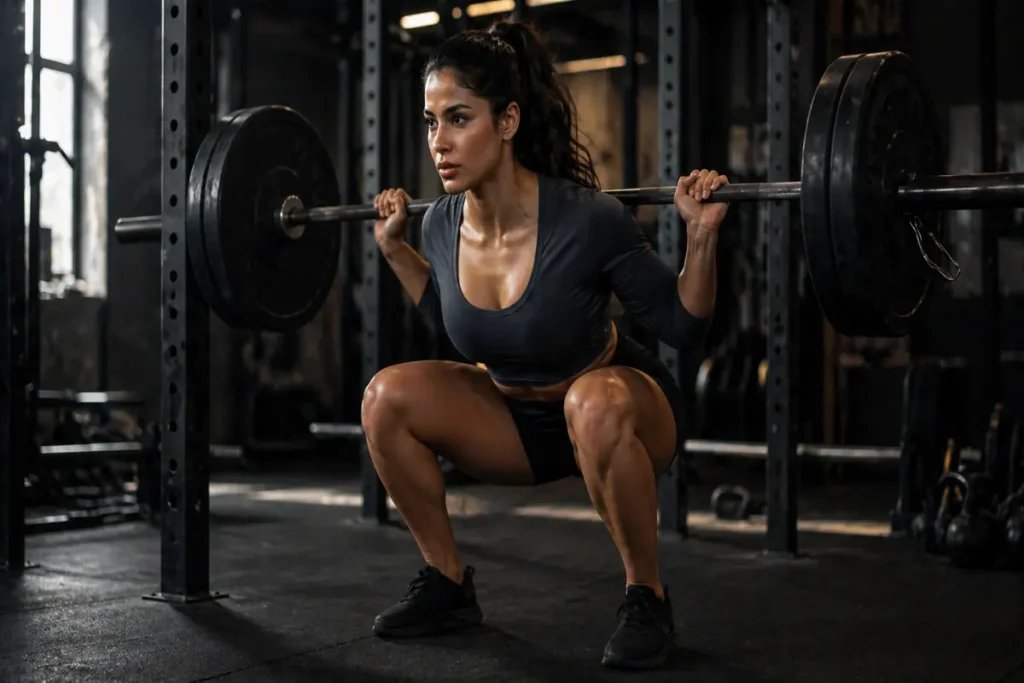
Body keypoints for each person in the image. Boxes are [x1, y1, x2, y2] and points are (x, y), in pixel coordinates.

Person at [361, 18, 728, 671]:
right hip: (517, 422)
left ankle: (647, 594)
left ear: (506, 123)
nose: (438, 142)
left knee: (593, 401)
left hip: (620, 408)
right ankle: (447, 582)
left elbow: (684, 326)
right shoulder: (442, 223)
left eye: (458, 118)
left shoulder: (587, 217)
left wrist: (700, 238)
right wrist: (395, 249)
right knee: (385, 396)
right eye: (429, 121)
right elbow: (444, 312)